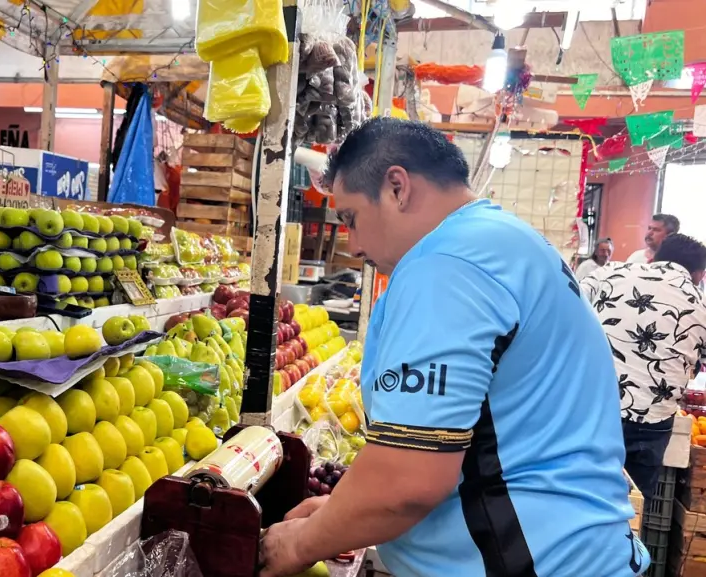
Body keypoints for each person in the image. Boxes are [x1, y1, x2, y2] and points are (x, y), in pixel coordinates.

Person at [259, 118, 647, 577]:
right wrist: (339, 515)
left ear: (397, 187)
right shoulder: (506, 242)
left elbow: (408, 483)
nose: (356, 245)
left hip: (531, 561)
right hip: (579, 550)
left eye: (351, 218)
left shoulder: (445, 266)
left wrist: (301, 543)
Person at [580, 234, 706, 495]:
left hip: (589, 408)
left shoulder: (609, 272)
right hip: (650, 422)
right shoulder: (700, 304)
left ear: (654, 257)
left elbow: (568, 305)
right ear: (699, 274)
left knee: (577, 494)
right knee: (629, 509)